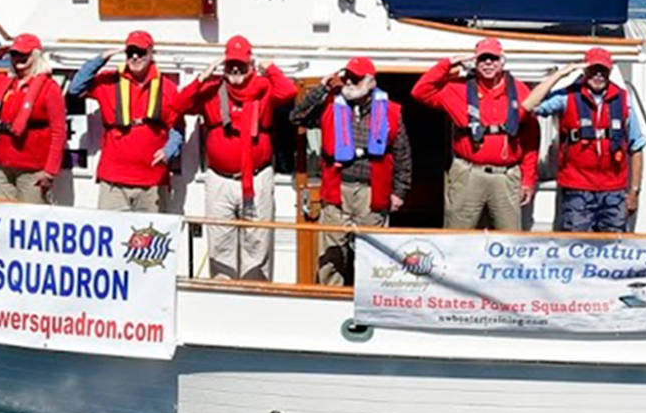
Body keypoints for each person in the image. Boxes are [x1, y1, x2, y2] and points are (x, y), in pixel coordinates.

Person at [177, 35, 297, 279]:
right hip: (219, 180)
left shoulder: (264, 90)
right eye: (230, 64)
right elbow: (178, 104)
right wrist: (202, 76)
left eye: (241, 64)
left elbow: (289, 92)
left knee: (257, 242)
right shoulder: (211, 91)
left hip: (256, 179)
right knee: (220, 242)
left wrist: (270, 67)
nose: (235, 69)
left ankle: (256, 294)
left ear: (250, 65)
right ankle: (223, 294)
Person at [291, 57, 410, 285]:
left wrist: (400, 192)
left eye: (356, 78)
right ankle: (329, 301)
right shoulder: (329, 105)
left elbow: (402, 154)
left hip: (373, 193)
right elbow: (297, 116)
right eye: (347, 77)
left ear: (370, 82)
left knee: (374, 257)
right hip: (337, 191)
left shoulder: (391, 112)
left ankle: (370, 304)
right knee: (332, 256)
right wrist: (321, 88)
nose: (349, 82)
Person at [411, 37, 538, 231]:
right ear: (475, 62)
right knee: (457, 235)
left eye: (493, 59)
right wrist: (449, 62)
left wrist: (528, 179)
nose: (488, 63)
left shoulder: (519, 90)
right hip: (468, 173)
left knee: (510, 236)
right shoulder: (457, 88)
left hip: (506, 176)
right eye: (482, 59)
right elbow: (420, 92)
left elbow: (531, 139)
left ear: (502, 62)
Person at [523, 47, 646, 233]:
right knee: (576, 245)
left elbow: (636, 147)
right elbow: (529, 105)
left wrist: (634, 191)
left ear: (610, 71)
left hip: (614, 190)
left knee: (614, 247)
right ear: (584, 70)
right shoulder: (566, 97)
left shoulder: (623, 100)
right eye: (593, 69)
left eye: (603, 70)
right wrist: (559, 75)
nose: (598, 75)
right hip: (576, 189)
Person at [67, 30, 184, 211]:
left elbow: (177, 127)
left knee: (149, 236)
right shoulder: (109, 81)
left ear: (151, 53)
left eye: (141, 52)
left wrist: (169, 150)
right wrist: (102, 58)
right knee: (111, 234)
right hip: (113, 182)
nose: (135, 57)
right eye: (130, 52)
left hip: (152, 181)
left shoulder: (167, 88)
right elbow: (75, 88)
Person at [0, 33, 67, 202]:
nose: (18, 59)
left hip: (33, 169)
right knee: (3, 213)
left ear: (36, 55)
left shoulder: (49, 89)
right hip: (2, 164)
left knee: (31, 217)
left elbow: (59, 132)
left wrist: (50, 171)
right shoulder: (4, 83)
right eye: (14, 54)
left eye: (24, 54)